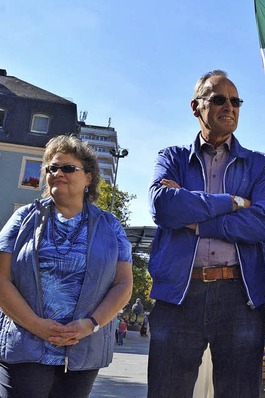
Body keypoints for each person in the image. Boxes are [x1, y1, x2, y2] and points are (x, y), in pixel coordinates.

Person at [147, 70, 265, 397]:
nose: (229, 107)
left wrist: (198, 220)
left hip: (241, 295)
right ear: (196, 106)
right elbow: (163, 208)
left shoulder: (260, 165)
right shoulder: (172, 158)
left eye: (236, 101)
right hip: (179, 293)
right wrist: (233, 202)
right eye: (219, 99)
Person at [0, 135, 133, 397]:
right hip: (25, 345)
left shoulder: (110, 226)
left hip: (83, 350)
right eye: (52, 168)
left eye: (68, 168)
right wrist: (36, 324)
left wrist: (91, 324)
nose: (57, 173)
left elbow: (123, 284)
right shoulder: (23, 219)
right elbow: (1, 279)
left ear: (89, 177)